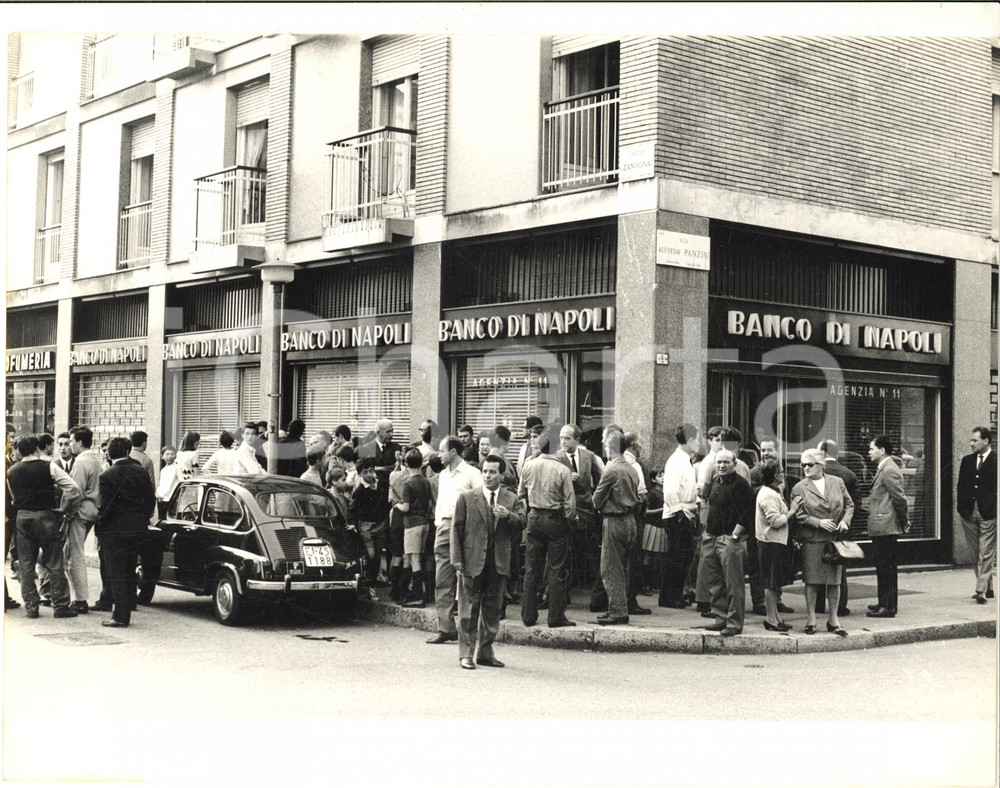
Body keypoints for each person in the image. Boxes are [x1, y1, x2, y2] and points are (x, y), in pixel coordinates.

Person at [451, 454, 525, 669]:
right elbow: (456, 529)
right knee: (468, 611)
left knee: (492, 610)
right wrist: (456, 558)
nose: (488, 475)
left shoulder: (510, 499)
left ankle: (485, 652)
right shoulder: (467, 498)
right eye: (485, 471)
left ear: (502, 475)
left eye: (493, 472)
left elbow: (523, 521)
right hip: (471, 560)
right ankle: (466, 654)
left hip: (498, 561)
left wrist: (508, 515)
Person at [6, 434, 81, 619]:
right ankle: (61, 606)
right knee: (54, 562)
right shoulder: (49, 466)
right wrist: (63, 508)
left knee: (26, 564)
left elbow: (12, 497)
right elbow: (73, 489)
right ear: (36, 448)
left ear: (19, 450)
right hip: (46, 515)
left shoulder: (11, 470)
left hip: (23, 516)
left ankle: (32, 607)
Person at [518, 425, 577, 628]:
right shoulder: (562, 470)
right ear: (555, 448)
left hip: (534, 516)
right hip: (555, 518)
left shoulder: (528, 465)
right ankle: (555, 616)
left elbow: (520, 494)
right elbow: (570, 504)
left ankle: (528, 615)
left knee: (532, 567)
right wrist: (570, 520)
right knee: (556, 568)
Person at [791, 448, 854, 635]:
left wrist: (845, 521)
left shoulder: (837, 482)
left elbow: (849, 504)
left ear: (822, 465)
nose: (806, 468)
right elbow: (799, 514)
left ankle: (833, 619)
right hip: (813, 539)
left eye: (810, 464)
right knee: (811, 581)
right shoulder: (799, 487)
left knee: (834, 581)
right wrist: (818, 522)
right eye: (803, 465)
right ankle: (811, 619)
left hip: (834, 538)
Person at [95, 437, 157, 627]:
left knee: (117, 572)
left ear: (110, 453)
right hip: (137, 527)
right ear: (128, 451)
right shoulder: (140, 471)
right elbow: (150, 499)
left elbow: (105, 507)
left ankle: (120, 616)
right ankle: (129, 603)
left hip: (114, 531)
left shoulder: (107, 475)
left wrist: (100, 526)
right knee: (130, 568)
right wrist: (143, 518)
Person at [427, 436, 483, 644]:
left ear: (453, 452)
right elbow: (442, 502)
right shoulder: (442, 476)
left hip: (464, 528)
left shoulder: (472, 473)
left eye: (442, 451)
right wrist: (438, 523)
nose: (438, 455)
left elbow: (481, 501)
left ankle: (468, 629)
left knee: (466, 579)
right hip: (443, 527)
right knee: (442, 579)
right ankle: (446, 627)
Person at [698, 449, 754, 636]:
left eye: (726, 462)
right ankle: (720, 618)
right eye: (719, 462)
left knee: (733, 583)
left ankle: (734, 623)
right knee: (715, 582)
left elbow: (747, 514)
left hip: (728, 539)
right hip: (711, 537)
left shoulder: (741, 485)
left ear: (734, 463)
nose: (721, 466)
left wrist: (735, 536)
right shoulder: (715, 481)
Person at [591, 430, 641, 626]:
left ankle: (617, 611)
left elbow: (596, 500)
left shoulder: (611, 470)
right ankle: (620, 607)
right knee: (624, 567)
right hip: (631, 520)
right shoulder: (631, 468)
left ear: (609, 448)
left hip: (614, 520)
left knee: (611, 568)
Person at [556, 423, 605, 590]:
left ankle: (598, 592)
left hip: (586, 511)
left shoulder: (588, 456)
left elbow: (601, 480)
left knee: (591, 552)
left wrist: (595, 502)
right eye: (561, 438)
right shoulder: (556, 458)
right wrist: (567, 477)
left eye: (567, 438)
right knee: (565, 553)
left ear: (577, 440)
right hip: (565, 511)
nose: (563, 441)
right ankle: (565, 592)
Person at [865, 436, 909, 619]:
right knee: (882, 565)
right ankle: (884, 602)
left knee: (886, 566)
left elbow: (899, 498)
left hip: (886, 525)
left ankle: (888, 606)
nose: (869, 452)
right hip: (882, 525)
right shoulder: (885, 468)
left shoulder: (889, 469)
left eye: (872, 449)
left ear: (881, 450)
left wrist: (904, 521)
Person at [755, 459, 800, 631]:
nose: (783, 474)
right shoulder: (768, 495)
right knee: (771, 583)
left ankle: (775, 617)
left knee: (773, 583)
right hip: (771, 544)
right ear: (775, 476)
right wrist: (792, 511)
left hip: (774, 543)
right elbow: (775, 521)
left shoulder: (772, 491)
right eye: (781, 471)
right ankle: (771, 619)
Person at [659, 423, 700, 608]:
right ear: (690, 440)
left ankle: (674, 595)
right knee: (677, 557)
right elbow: (670, 491)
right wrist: (679, 515)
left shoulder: (684, 460)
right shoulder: (677, 461)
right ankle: (669, 597)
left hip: (684, 513)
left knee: (682, 557)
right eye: (697, 439)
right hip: (678, 515)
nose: (698, 443)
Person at [816, 439, 857, 616]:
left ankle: (818, 604)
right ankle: (841, 606)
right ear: (836, 453)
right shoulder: (849, 474)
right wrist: (847, 523)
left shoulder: (817, 472)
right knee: (840, 568)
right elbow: (856, 504)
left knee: (818, 565)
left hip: (819, 527)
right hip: (842, 528)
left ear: (823, 454)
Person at [957, 426, 997, 604]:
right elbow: (961, 486)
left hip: (989, 513)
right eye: (971, 440)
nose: (971, 443)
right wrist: (961, 508)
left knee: (986, 552)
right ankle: (988, 586)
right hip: (968, 512)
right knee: (975, 553)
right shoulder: (967, 461)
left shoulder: (996, 461)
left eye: (975, 440)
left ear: (986, 441)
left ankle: (980, 590)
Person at [65, 425, 102, 613]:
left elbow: (74, 491)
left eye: (71, 441)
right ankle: (78, 597)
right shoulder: (95, 461)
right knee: (71, 554)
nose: (70, 445)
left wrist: (67, 513)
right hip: (92, 510)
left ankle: (80, 599)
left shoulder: (80, 462)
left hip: (80, 512)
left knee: (75, 556)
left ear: (79, 442)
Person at [393, 449, 433, 607]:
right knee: (417, 557)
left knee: (413, 559)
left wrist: (397, 505)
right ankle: (411, 593)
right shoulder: (425, 481)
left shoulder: (407, 483)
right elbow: (429, 504)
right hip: (424, 523)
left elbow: (406, 508)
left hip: (412, 524)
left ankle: (417, 596)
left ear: (406, 464)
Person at [351, 457, 388, 593]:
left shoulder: (383, 483)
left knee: (377, 554)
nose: (368, 475)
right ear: (360, 474)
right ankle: (368, 583)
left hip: (381, 524)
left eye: (370, 471)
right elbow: (353, 508)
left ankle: (373, 582)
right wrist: (352, 524)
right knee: (371, 554)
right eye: (364, 472)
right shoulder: (359, 491)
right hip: (366, 526)